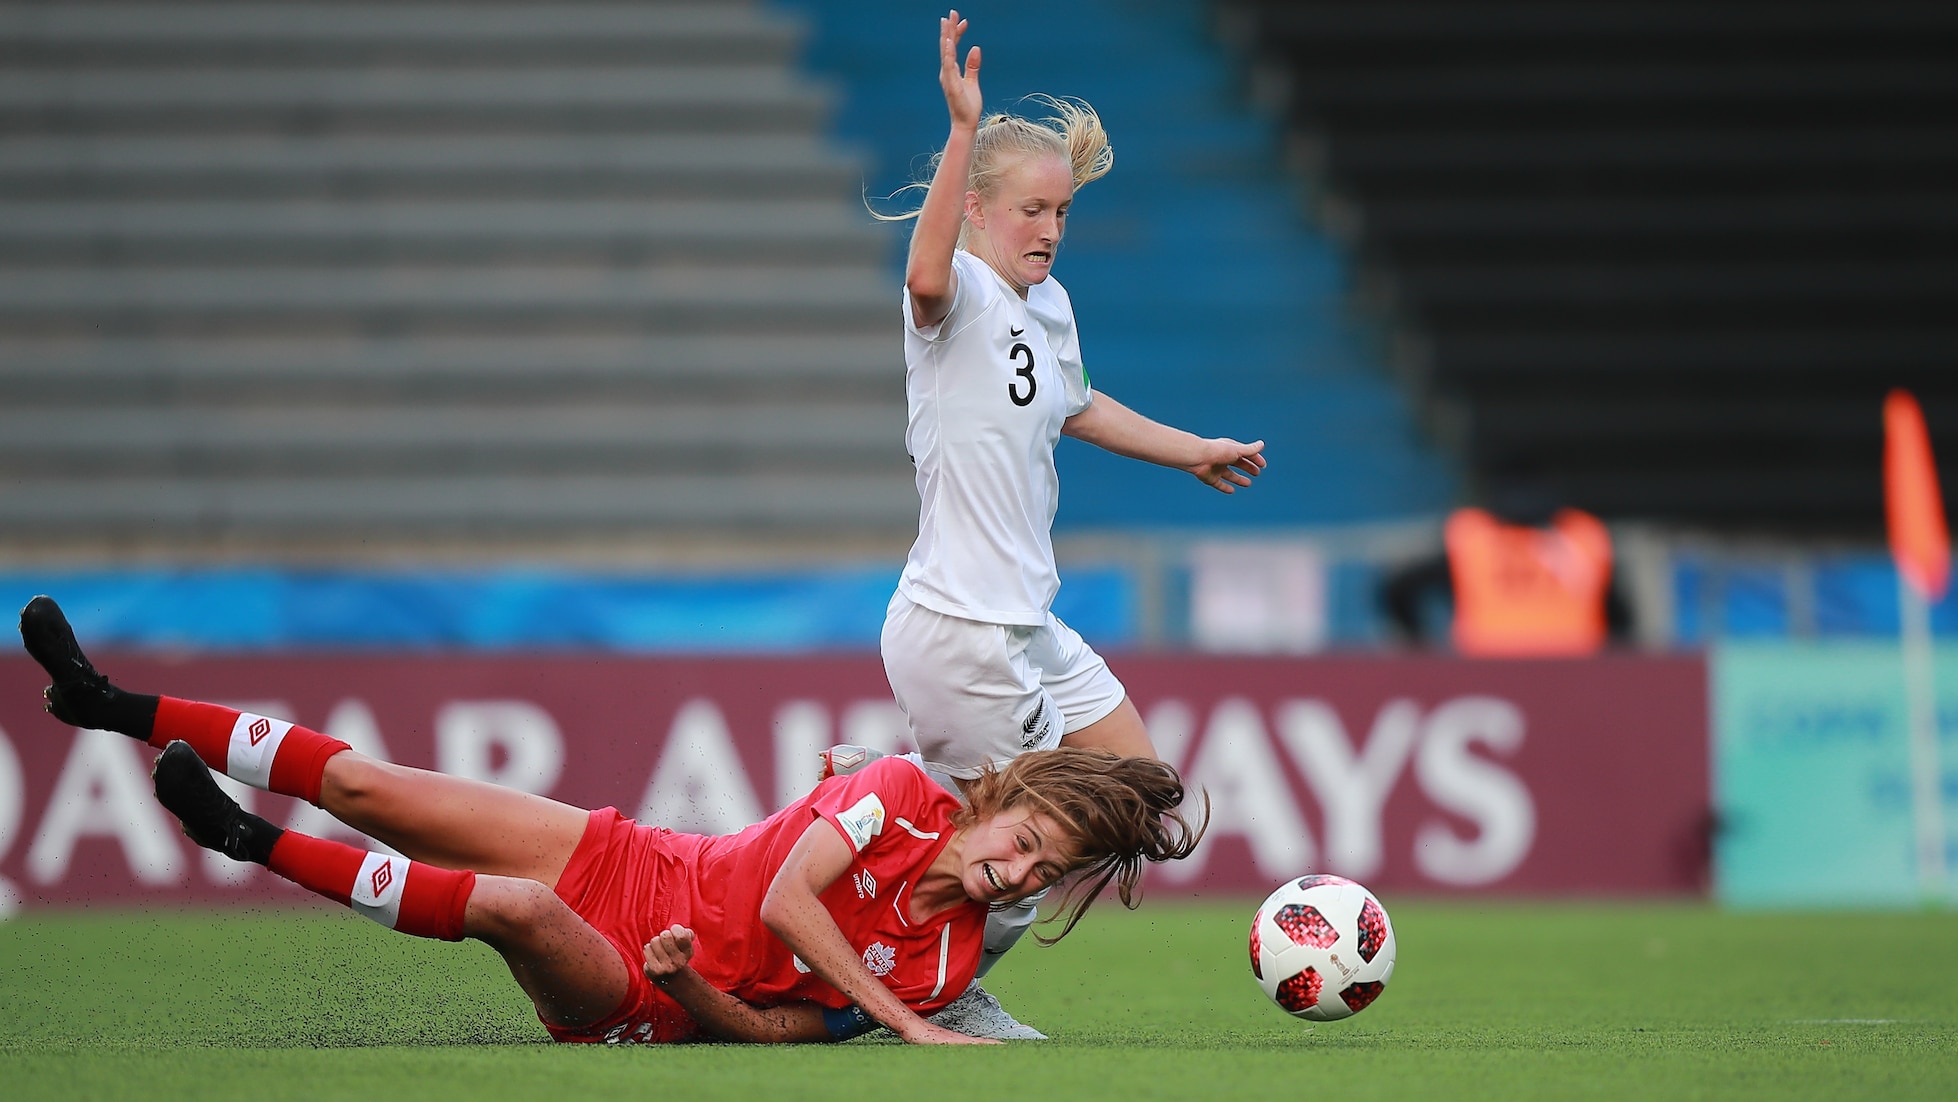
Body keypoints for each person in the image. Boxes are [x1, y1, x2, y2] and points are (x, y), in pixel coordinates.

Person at [18, 595, 1204, 1046]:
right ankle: (106, 699)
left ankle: (241, 839)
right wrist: (911, 1024)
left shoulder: (946, 961)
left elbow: (780, 1038)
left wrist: (690, 992)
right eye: (1018, 843)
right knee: (369, 787)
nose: (1009, 874)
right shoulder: (895, 796)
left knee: (513, 909)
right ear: (995, 800)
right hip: (632, 856)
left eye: (1036, 875)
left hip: (638, 984)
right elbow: (790, 897)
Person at [851, 13, 1265, 1034]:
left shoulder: (1050, 306)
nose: (1046, 229)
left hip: (1022, 621)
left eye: (1062, 212)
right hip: (961, 627)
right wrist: (960, 134)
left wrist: (1191, 447)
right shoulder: (949, 304)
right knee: (1042, 830)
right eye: (1029, 210)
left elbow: (1075, 405)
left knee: (1135, 793)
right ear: (979, 212)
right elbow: (921, 273)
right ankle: (931, 987)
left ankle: (878, 864)